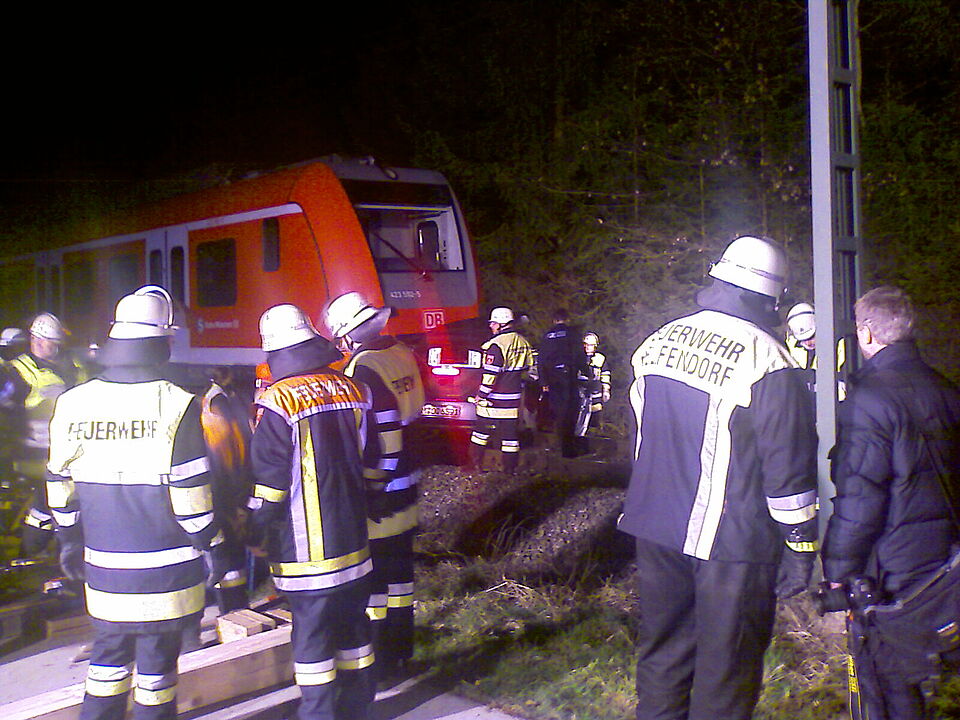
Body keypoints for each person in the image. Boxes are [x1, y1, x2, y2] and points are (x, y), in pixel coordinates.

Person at [618, 235, 819, 720]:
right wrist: (800, 545)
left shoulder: (657, 342)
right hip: (732, 544)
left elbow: (640, 436)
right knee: (726, 672)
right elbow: (788, 469)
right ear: (771, 298)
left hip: (655, 527)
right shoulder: (768, 359)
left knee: (663, 654)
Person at [45, 286, 228, 720]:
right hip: (166, 576)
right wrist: (215, 545)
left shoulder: (72, 402)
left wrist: (69, 539)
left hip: (105, 572)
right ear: (162, 341)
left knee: (106, 664)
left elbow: (59, 486)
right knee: (156, 674)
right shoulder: (177, 405)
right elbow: (191, 499)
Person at [822, 286, 960, 720]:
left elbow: (860, 501)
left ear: (865, 333)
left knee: (887, 679)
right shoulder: (946, 388)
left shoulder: (868, 400)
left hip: (892, 566)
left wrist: (837, 574)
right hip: (942, 561)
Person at [246, 303, 378, 720]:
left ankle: (318, 714)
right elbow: (372, 463)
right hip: (354, 545)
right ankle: (359, 709)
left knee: (313, 641)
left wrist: (254, 533)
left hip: (305, 555)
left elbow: (269, 488)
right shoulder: (354, 389)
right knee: (355, 631)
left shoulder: (277, 402)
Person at [323, 291, 425, 680]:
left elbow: (384, 433)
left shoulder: (362, 369)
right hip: (409, 482)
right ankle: (402, 651)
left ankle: (380, 660)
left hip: (383, 492)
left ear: (347, 335)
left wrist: (371, 485)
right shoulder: (399, 352)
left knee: (376, 583)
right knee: (401, 577)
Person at [7, 312, 85, 556]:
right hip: (35, 453)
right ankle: (35, 547)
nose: (52, 347)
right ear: (34, 339)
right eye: (49, 342)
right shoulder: (17, 372)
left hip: (73, 450)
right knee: (56, 493)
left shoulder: (75, 366)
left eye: (55, 343)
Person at [468, 306, 535, 472]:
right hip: (513, 399)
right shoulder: (523, 342)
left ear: (500, 324)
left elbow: (491, 374)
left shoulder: (496, 345)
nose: (491, 326)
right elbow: (530, 370)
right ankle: (509, 469)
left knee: (480, 433)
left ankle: (474, 465)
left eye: (493, 323)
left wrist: (481, 395)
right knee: (510, 438)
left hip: (494, 399)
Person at [538, 309, 589, 458]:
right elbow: (579, 355)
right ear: (567, 319)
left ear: (554, 320)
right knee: (571, 412)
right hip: (568, 377)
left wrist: (543, 381)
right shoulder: (572, 334)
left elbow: (541, 360)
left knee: (558, 412)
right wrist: (587, 372)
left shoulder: (547, 336)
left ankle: (559, 445)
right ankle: (568, 448)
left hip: (553, 378)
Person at [785, 301, 847, 400]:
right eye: (803, 339)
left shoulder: (838, 345)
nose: (808, 342)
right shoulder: (790, 347)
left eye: (812, 336)